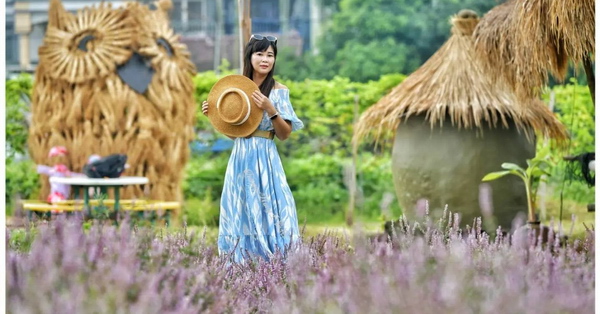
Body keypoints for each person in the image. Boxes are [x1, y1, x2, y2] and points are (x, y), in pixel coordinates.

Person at [202, 34, 304, 263]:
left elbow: (284, 134)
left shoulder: (278, 90)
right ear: (250, 56)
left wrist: (271, 109)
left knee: (273, 204)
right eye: (260, 54)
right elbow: (236, 133)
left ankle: (277, 259)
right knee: (242, 207)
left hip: (266, 156)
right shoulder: (236, 91)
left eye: (270, 55)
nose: (265, 59)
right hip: (240, 157)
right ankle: (240, 261)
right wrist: (213, 116)